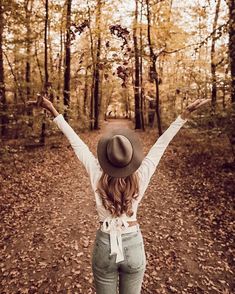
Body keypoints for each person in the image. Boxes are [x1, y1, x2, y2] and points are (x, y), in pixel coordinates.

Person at [36, 95, 210, 294]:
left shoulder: (97, 172)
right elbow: (160, 145)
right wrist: (183, 115)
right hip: (134, 246)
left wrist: (52, 110)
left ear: (106, 157)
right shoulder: (140, 176)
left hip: (104, 246)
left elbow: (76, 143)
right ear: (131, 158)